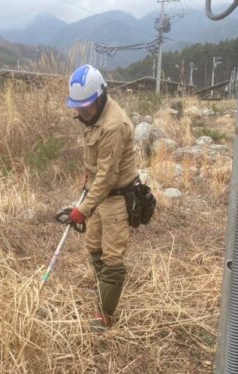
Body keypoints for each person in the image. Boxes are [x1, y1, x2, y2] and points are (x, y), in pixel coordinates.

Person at [66, 64, 138, 331]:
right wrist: (86, 182)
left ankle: (105, 316)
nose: (80, 112)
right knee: (93, 248)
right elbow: (94, 164)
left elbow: (108, 178)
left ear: (100, 96)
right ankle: (103, 291)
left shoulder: (113, 125)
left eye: (85, 107)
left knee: (112, 259)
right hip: (98, 195)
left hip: (116, 198)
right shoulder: (91, 116)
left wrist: (82, 210)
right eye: (78, 107)